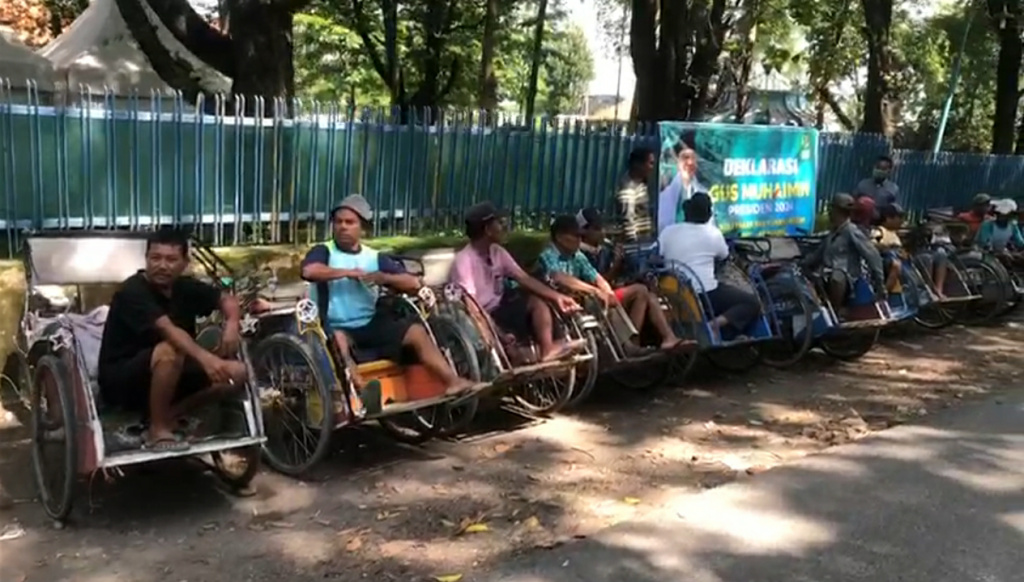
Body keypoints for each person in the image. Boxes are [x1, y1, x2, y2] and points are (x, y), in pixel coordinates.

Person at [301, 195, 477, 411]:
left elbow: (412, 282)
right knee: (339, 340)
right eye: (338, 222)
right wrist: (346, 272)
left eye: (350, 223)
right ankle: (362, 393)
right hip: (334, 325)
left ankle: (452, 381)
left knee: (415, 331)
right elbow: (309, 271)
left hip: (369, 322)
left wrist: (383, 277)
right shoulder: (324, 251)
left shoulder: (374, 257)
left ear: (362, 228)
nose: (343, 227)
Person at [98, 228, 248, 452]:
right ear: (146, 259)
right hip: (123, 379)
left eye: (171, 259)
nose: (162, 265)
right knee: (170, 349)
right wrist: (208, 360)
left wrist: (232, 323)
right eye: (155, 258)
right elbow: (168, 330)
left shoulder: (185, 288)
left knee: (238, 373)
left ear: (184, 262)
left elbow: (227, 299)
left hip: (173, 372)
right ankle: (157, 430)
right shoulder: (132, 291)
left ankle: (168, 415)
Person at [449, 201, 583, 362]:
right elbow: (472, 307)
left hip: (502, 307)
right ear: (487, 230)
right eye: (499, 223)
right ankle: (516, 354)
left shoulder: (497, 252)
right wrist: (498, 333)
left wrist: (557, 297)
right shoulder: (464, 261)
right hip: (483, 315)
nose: (504, 227)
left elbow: (524, 278)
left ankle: (548, 349)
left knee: (536, 299)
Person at [540, 214, 683, 351]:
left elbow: (596, 277)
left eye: (580, 236)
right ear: (559, 237)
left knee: (641, 292)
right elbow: (559, 277)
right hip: (564, 303)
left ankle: (632, 344)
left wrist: (606, 292)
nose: (579, 239)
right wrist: (595, 290)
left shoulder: (578, 255)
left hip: (588, 299)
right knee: (637, 291)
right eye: (575, 236)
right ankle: (629, 345)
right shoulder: (548, 255)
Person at [657, 193, 760, 338]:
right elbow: (724, 257)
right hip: (706, 294)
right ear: (708, 214)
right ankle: (715, 325)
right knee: (751, 302)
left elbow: (657, 253)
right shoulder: (713, 233)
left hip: (677, 291)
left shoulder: (668, 232)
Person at [800, 194, 887, 310]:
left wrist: (880, 283)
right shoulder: (832, 233)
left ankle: (836, 311)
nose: (829, 213)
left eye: (831, 209)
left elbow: (872, 255)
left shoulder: (851, 231)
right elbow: (818, 255)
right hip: (825, 274)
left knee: (837, 277)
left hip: (846, 277)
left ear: (838, 211)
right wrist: (801, 264)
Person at [657, 138, 710, 235]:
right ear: (676, 161)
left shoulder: (702, 191)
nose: (690, 162)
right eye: (685, 157)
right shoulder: (665, 188)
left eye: (693, 158)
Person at [613, 147, 657, 244]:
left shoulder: (640, 185)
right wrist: (633, 244)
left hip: (643, 241)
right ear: (638, 164)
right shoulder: (628, 188)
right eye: (650, 163)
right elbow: (627, 219)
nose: (652, 167)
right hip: (636, 245)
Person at [871, 204, 906, 293]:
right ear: (888, 218)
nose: (901, 221)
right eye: (899, 217)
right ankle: (884, 292)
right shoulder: (879, 231)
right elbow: (872, 245)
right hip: (884, 260)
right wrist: (888, 247)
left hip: (898, 259)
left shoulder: (896, 233)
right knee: (896, 265)